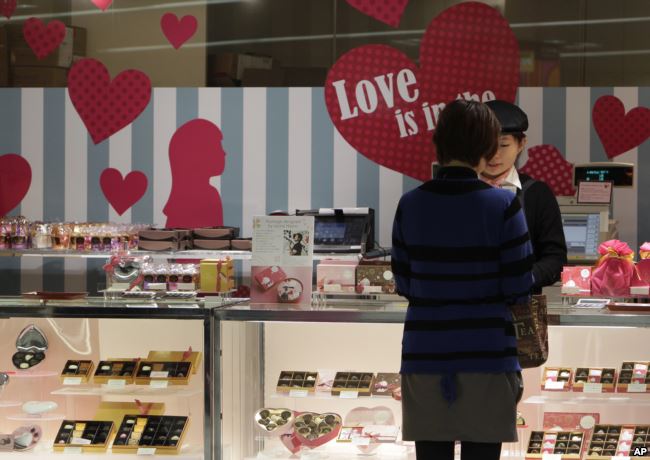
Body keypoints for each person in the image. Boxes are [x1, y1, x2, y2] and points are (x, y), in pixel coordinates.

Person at [391, 100, 534, 460]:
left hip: (425, 353)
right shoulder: (505, 205)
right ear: (487, 148)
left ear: (439, 144)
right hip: (488, 352)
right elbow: (519, 287)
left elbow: (405, 284)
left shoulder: (410, 204)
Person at [482, 100, 568, 292]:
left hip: (521, 306)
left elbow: (555, 257)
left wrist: (525, 278)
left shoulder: (537, 194)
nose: (494, 155)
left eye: (503, 145)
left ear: (522, 144)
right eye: (485, 145)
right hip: (468, 308)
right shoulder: (460, 192)